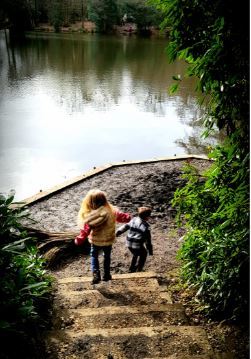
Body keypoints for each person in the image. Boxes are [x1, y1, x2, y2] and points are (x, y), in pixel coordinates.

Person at [75, 189, 131, 284]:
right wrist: (129, 217)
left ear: (90, 202)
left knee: (94, 256)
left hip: (96, 240)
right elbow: (124, 217)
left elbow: (85, 231)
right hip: (108, 239)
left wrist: (78, 240)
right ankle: (106, 275)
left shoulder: (90, 217)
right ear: (104, 200)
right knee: (107, 256)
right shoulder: (112, 211)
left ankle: (96, 274)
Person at [116, 207, 153, 273]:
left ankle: (131, 268)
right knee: (143, 254)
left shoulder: (134, 219)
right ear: (147, 217)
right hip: (137, 244)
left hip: (128, 243)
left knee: (135, 254)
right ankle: (139, 269)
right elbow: (148, 240)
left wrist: (118, 232)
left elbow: (125, 226)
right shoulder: (146, 226)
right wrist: (150, 250)